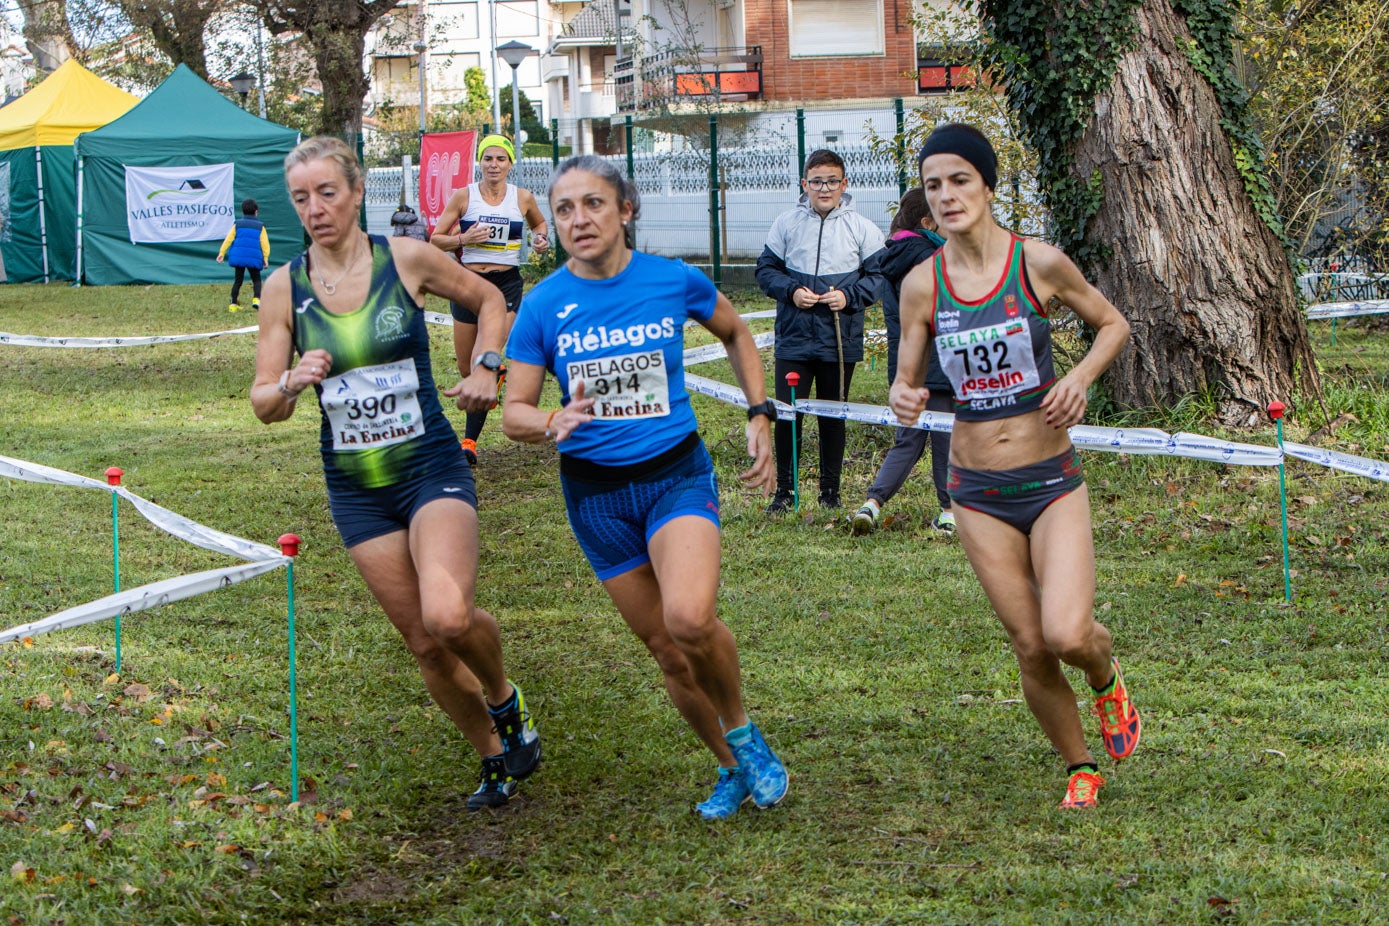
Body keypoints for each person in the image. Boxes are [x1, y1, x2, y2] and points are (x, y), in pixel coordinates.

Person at [250, 136, 541, 810]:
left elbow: (490, 302)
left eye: (327, 193)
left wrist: (486, 367)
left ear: (355, 193)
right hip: (356, 489)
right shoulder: (281, 288)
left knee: (447, 614)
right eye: (302, 198)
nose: (315, 209)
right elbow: (264, 403)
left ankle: (504, 698)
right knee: (423, 642)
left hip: (428, 467)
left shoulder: (405, 258)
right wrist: (291, 381)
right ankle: (494, 756)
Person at [501, 154, 790, 820]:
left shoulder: (670, 280)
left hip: (672, 475)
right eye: (565, 208)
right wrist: (550, 419)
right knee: (664, 648)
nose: (579, 219)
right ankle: (727, 767)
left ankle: (744, 733)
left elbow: (737, 332)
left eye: (594, 203)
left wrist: (758, 412)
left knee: (687, 618)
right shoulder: (544, 304)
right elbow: (512, 410)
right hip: (595, 497)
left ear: (625, 210)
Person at [891, 124, 1139, 810]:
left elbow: (1112, 324)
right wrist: (902, 395)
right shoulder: (920, 285)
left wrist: (1081, 377)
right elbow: (904, 379)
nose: (945, 195)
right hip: (974, 491)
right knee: (1030, 645)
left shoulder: (1038, 263)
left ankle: (1104, 674)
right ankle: (1079, 767)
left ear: (987, 185)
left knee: (1067, 634)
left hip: (1050, 482)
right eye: (932, 185)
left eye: (958, 180)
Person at [756, 148, 884, 513]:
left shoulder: (862, 228)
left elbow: (879, 277)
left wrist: (849, 296)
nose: (824, 188)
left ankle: (830, 493)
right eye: (816, 182)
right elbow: (765, 271)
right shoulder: (785, 224)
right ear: (804, 184)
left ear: (845, 184)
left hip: (839, 340)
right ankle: (786, 492)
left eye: (831, 181)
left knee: (833, 417)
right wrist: (791, 291)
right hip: (794, 338)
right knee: (787, 415)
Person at [430, 134, 550, 465]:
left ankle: (469, 442)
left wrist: (540, 238)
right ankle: (492, 374)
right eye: (488, 159)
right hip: (467, 283)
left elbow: (539, 223)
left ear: (511, 163)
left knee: (487, 354)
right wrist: (462, 238)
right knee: (468, 367)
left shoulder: (521, 197)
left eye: (500, 159)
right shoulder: (463, 196)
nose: (494, 165)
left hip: (505, 285)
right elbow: (434, 240)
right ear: (480, 162)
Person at [852, 188, 954, 535]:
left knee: (907, 441)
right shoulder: (933, 258)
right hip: (940, 363)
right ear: (927, 222)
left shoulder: (892, 255)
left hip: (906, 365)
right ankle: (949, 513)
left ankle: (872, 503)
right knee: (945, 440)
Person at [216, 198, 270, 312]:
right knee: (256, 279)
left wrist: (222, 253)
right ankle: (256, 299)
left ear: (243, 212)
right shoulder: (260, 226)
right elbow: (264, 243)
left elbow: (228, 239)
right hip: (253, 257)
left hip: (238, 257)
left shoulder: (237, 224)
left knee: (238, 280)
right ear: (256, 212)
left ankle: (233, 305)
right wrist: (265, 257)